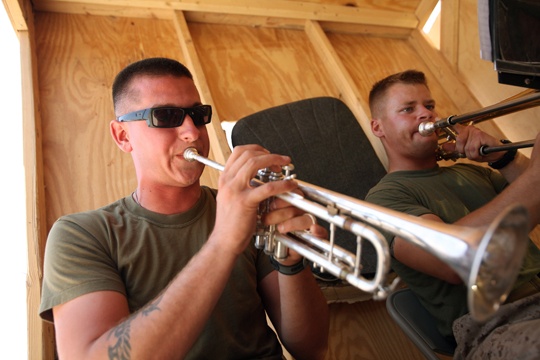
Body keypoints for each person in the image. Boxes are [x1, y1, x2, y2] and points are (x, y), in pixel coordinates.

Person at [38, 57, 329, 359]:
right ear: (122, 136)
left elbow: (311, 347)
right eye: (165, 116)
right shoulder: (82, 234)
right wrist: (223, 242)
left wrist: (292, 264)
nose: (192, 132)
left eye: (197, 114)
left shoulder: (249, 210)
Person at [365, 69, 540, 359]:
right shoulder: (382, 199)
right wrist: (535, 177)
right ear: (378, 127)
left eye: (429, 106)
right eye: (408, 109)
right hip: (495, 327)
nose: (426, 114)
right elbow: (450, 260)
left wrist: (504, 156)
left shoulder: (471, 172)